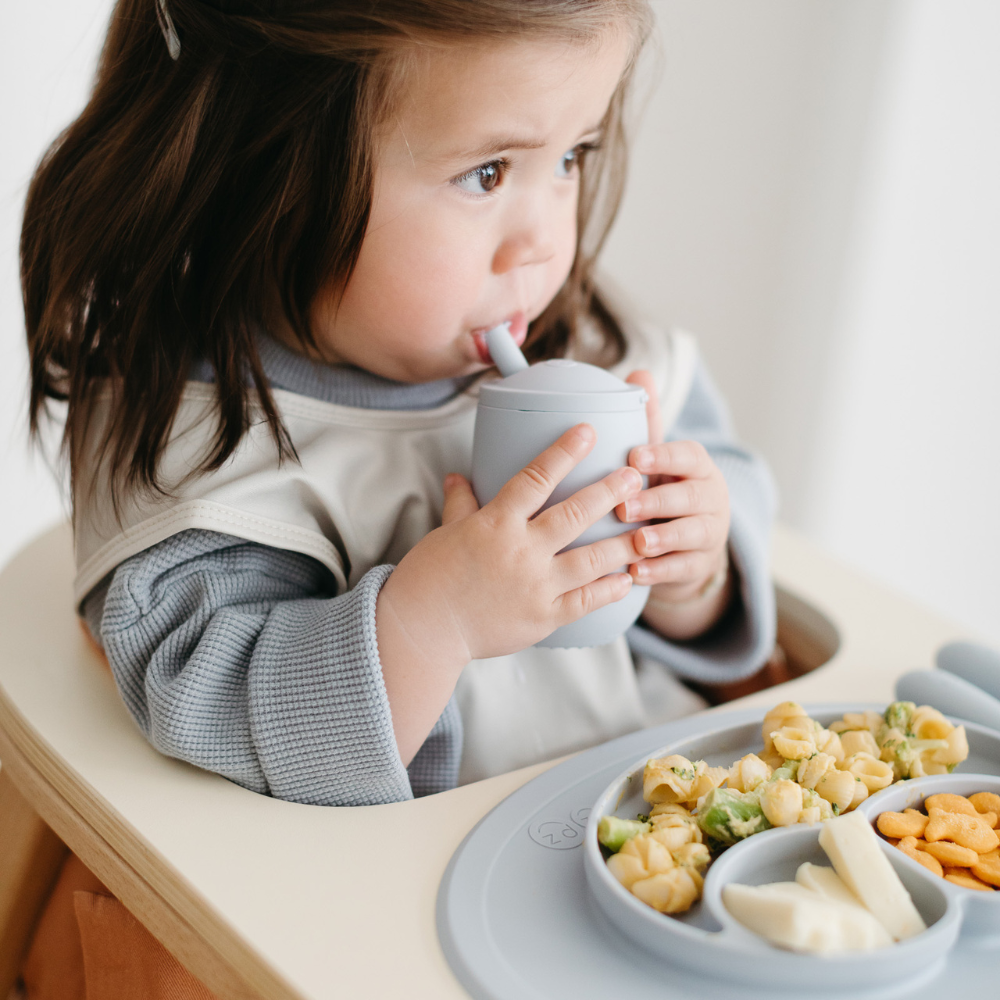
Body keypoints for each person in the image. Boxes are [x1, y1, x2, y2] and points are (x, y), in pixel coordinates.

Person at [22, 0, 776, 810]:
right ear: (271, 168)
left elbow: (734, 527)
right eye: (486, 173)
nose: (545, 242)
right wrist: (433, 624)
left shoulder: (596, 350)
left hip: (655, 817)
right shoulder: (200, 439)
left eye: (572, 157)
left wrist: (688, 575)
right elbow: (211, 708)